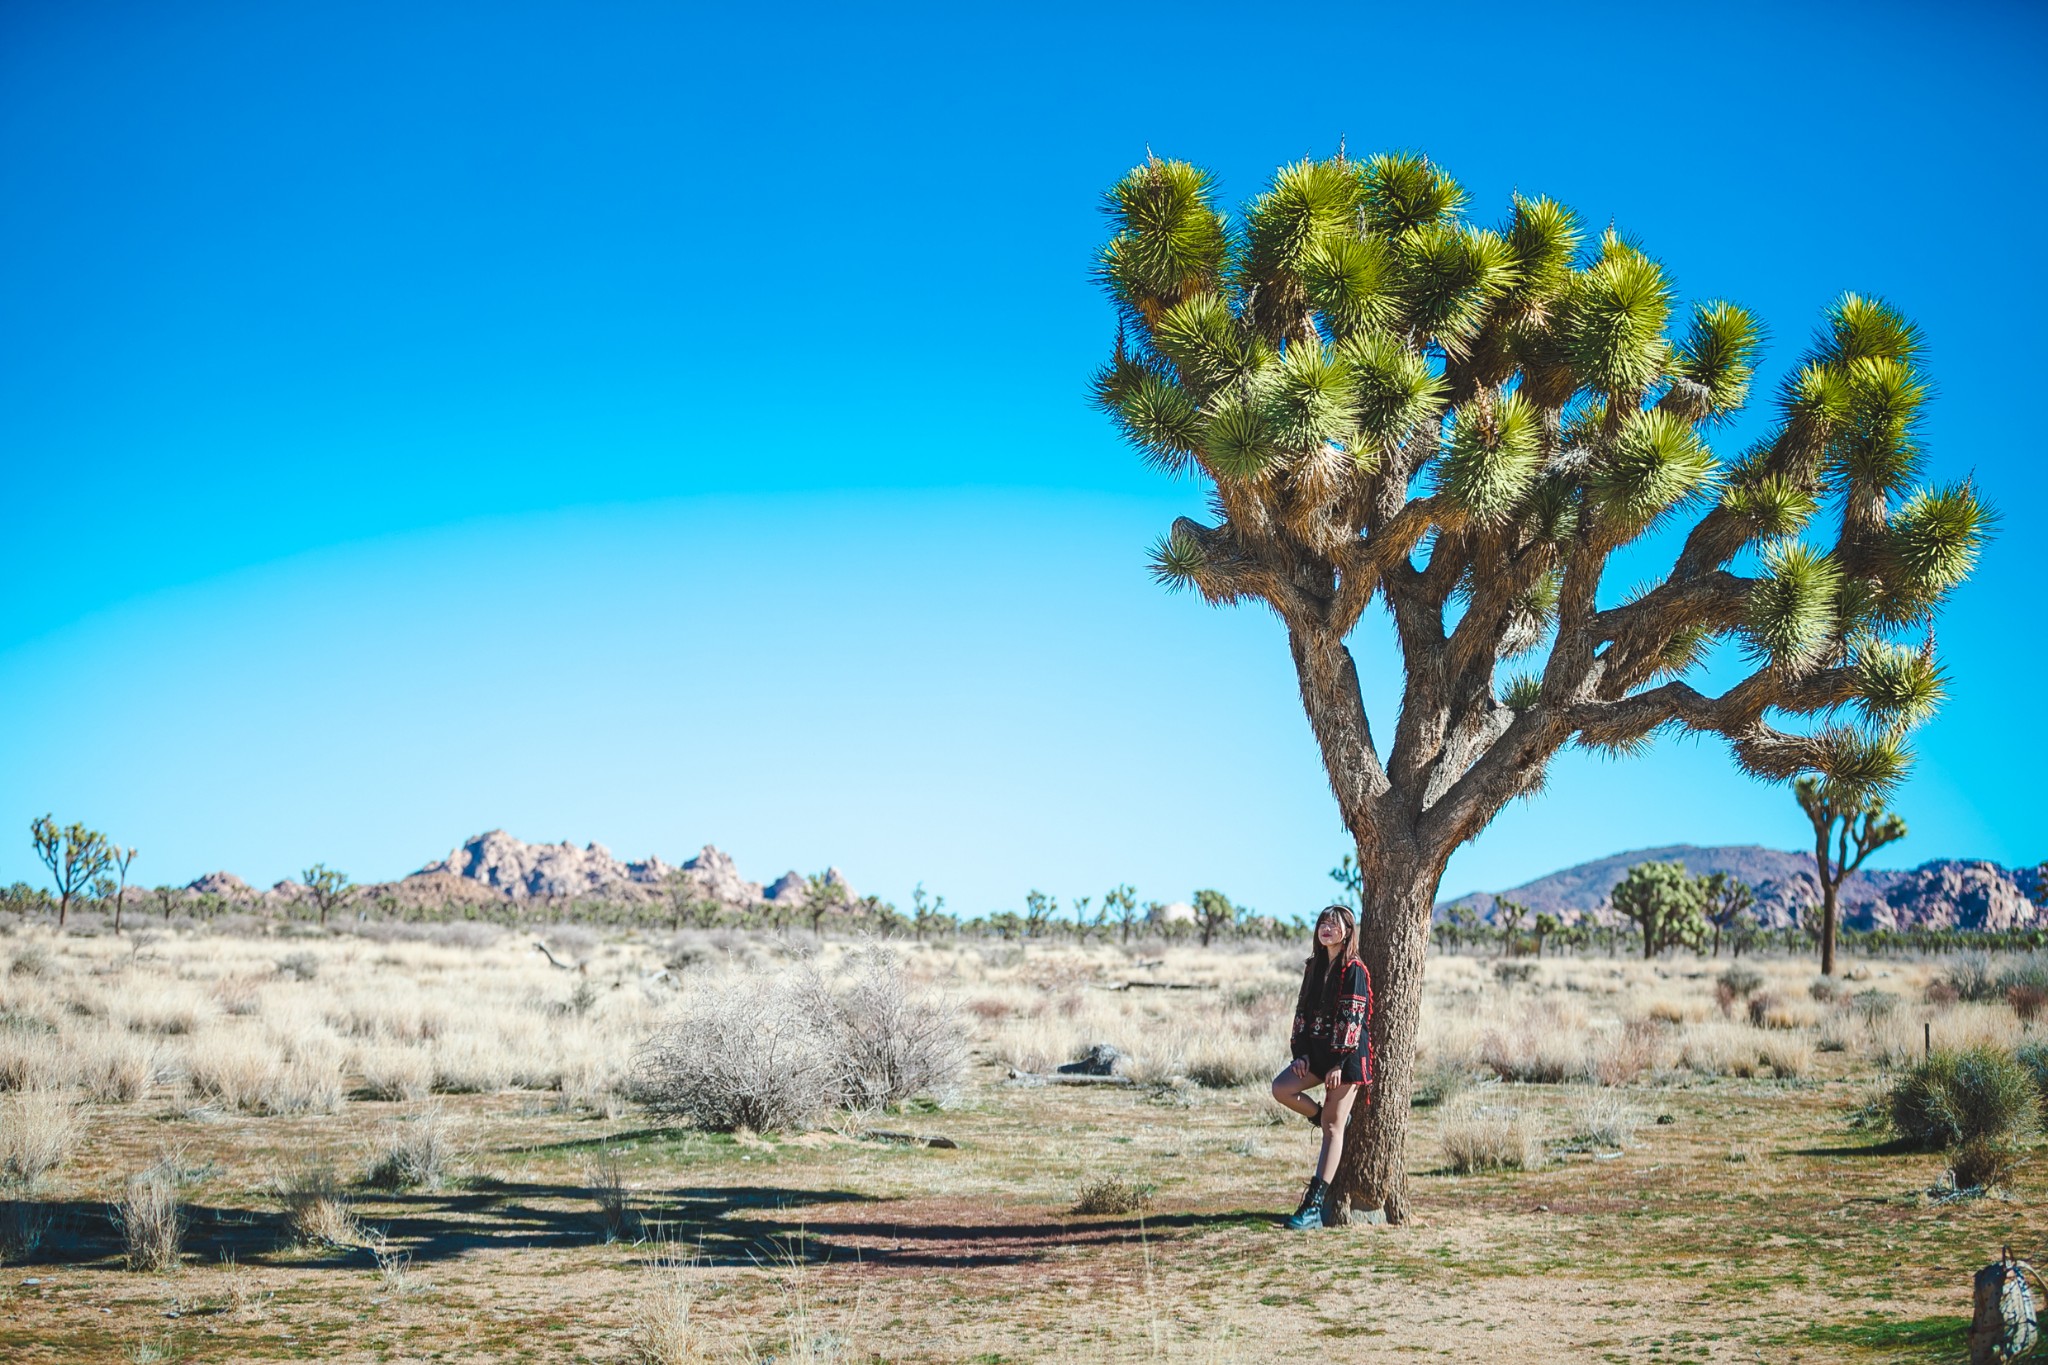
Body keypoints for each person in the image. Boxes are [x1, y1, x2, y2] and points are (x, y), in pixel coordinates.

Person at [1269, 903, 1373, 1229]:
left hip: (1347, 1058)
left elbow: (1353, 1018)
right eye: (1323, 923)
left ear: (1347, 931)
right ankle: (1320, 1115)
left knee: (1332, 1129)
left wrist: (1340, 1063)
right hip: (1315, 1055)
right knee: (1281, 1088)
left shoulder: (1354, 969)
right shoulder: (1313, 966)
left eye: (1335, 923)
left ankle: (1313, 1206)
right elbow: (1302, 1012)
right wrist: (1300, 1054)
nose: (1327, 928)